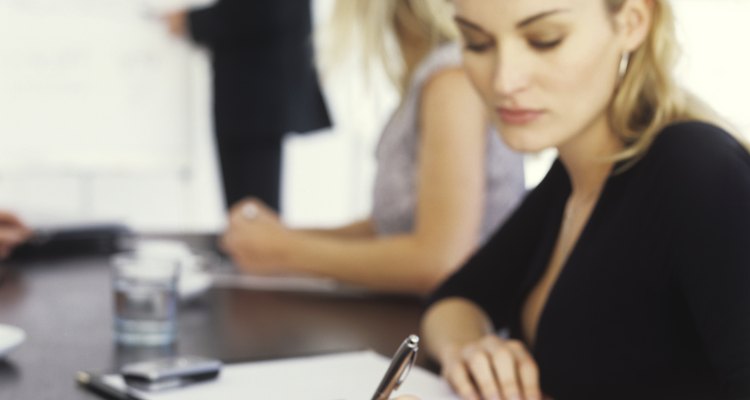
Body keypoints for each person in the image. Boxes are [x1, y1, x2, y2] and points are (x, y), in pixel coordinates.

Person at [417, 0, 750, 399]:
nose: (504, 81)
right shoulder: (573, 178)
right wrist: (469, 349)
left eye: (545, 40)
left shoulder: (693, 169)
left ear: (631, 22)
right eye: (476, 43)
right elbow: (454, 299)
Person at [220, 0, 525, 296]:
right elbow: (394, 225)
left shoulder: (451, 82)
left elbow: (440, 260)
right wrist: (280, 236)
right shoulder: (434, 74)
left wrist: (285, 251)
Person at [163, 1, 331, 210]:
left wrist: (193, 21)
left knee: (253, 216)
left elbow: (267, 10)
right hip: (252, 95)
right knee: (246, 214)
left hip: (257, 97)